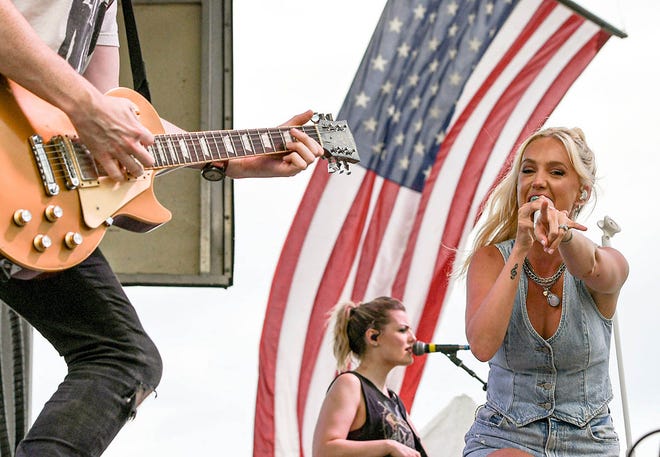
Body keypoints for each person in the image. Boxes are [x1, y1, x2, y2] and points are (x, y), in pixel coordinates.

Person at [0, 0, 324, 455]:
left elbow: (108, 125)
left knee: (123, 359)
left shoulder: (105, 9)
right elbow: (90, 107)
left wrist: (232, 156)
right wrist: (88, 107)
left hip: (27, 197)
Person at [460, 127, 629, 456]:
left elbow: (595, 269)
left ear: (581, 192)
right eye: (528, 170)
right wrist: (520, 250)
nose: (538, 180)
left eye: (556, 171)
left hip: (589, 442)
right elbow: (481, 345)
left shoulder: (609, 260)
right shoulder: (490, 259)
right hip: (505, 434)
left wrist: (564, 236)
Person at [312, 296, 428, 457]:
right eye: (402, 330)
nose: (413, 338)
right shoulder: (350, 384)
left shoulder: (395, 401)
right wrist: (388, 446)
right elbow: (324, 450)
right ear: (373, 337)